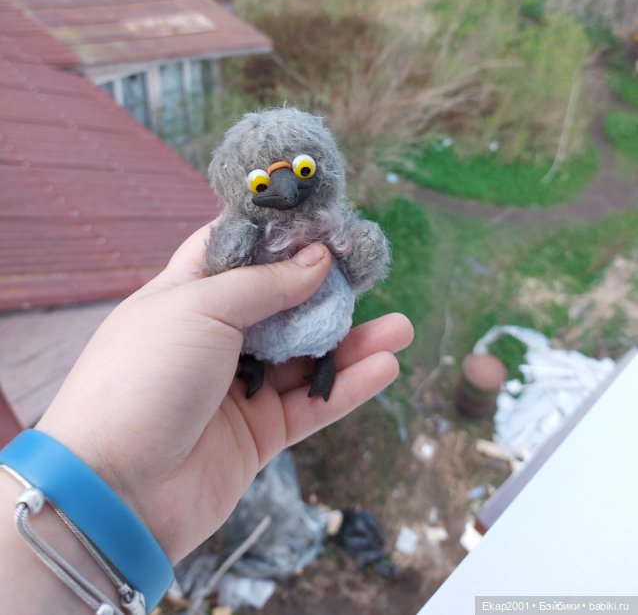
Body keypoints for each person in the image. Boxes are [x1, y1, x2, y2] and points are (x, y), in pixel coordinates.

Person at [0, 222, 413, 614]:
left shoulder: (326, 235)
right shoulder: (249, 234)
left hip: (317, 341)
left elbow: (361, 254)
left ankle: (320, 361)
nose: (284, 191)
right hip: (256, 353)